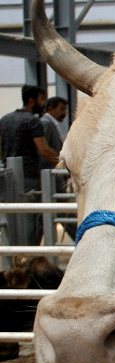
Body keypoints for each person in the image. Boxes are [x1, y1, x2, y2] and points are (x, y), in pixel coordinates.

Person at [1, 85, 60, 245]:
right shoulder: (33, 121)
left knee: (11, 220)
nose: (44, 104)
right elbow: (44, 150)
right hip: (30, 178)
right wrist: (64, 164)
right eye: (42, 99)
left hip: (7, 178)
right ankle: (31, 256)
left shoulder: (4, 119)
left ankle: (16, 256)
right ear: (32, 100)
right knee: (34, 220)